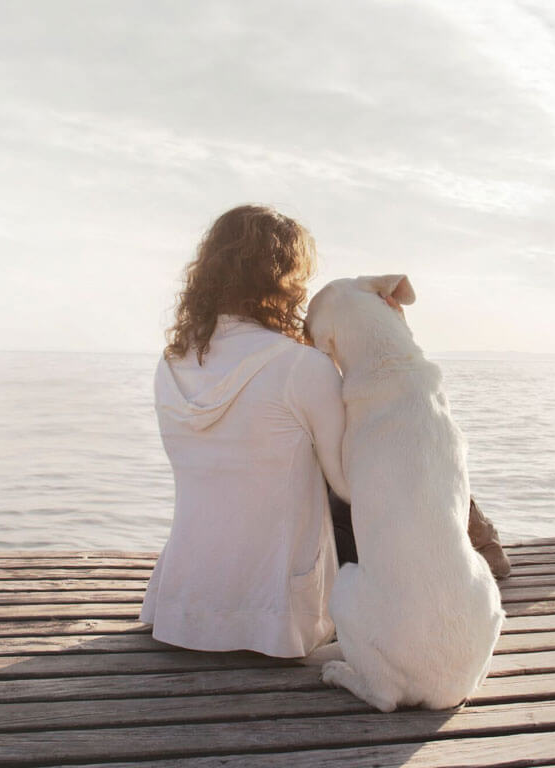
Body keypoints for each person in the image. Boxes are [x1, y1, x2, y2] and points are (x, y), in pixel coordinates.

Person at [140, 204, 350, 658]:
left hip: (182, 609)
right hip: (278, 620)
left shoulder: (170, 362)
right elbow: (349, 486)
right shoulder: (302, 366)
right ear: (283, 279)